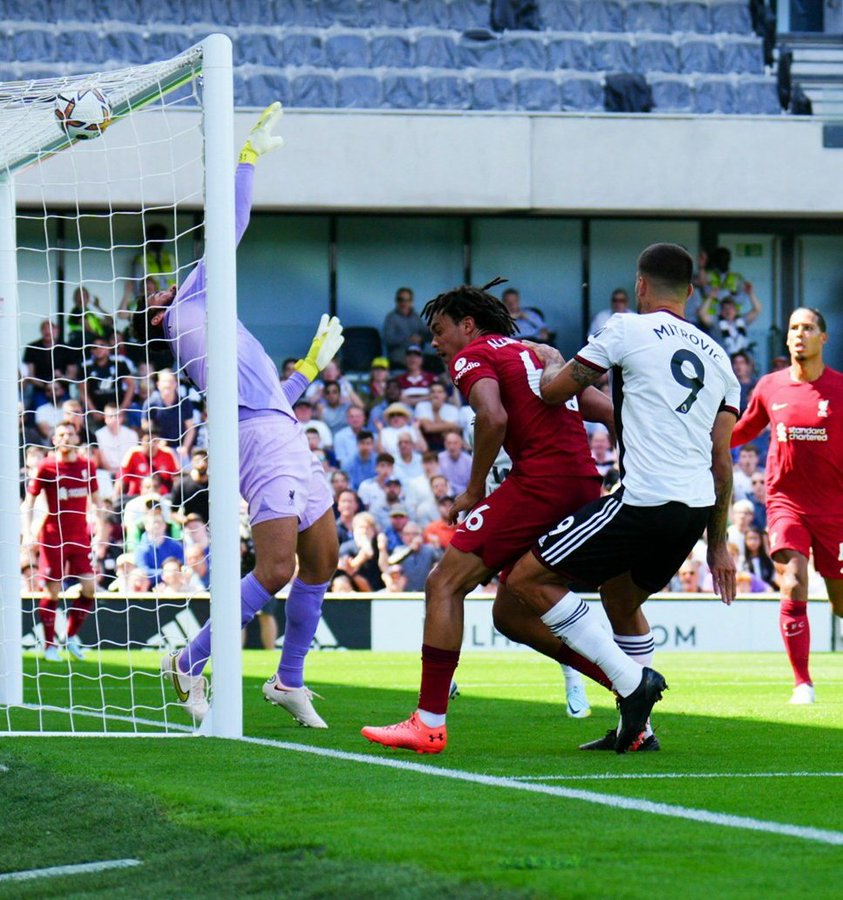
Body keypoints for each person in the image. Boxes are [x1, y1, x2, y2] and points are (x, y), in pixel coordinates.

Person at [362, 278, 620, 755]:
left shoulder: (473, 356)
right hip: (580, 482)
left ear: (468, 324)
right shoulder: (536, 353)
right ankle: (631, 688)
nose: (435, 343)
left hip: (540, 483)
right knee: (511, 613)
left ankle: (429, 723)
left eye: (440, 330)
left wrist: (474, 488)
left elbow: (494, 419)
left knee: (444, 583)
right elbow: (601, 409)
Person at [147, 103, 344, 726]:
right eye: (150, 296)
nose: (160, 284)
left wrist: (309, 368)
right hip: (259, 438)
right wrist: (247, 158)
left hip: (278, 426)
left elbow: (266, 393)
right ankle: (189, 660)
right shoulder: (189, 309)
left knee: (322, 560)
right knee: (278, 567)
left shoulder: (214, 314)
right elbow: (229, 225)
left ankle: (288, 680)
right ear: (158, 319)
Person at [501, 243, 740, 753]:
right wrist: (718, 545)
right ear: (692, 293)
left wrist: (550, 360)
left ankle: (632, 686)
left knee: (525, 579)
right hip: (694, 510)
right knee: (622, 597)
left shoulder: (625, 327)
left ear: (640, 285)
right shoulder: (719, 358)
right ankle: (639, 734)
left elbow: (553, 392)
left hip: (643, 500)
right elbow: (723, 462)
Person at [730, 307, 843, 705]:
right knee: (792, 580)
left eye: (808, 327)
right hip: (785, 503)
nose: (800, 334)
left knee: (840, 601)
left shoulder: (841, 389)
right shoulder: (769, 386)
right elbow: (744, 429)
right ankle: (802, 683)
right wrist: (707, 445)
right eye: (794, 327)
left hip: (836, 509)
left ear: (823, 338)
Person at [22, 422, 104, 661]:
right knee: (53, 591)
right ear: (55, 439)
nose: (66, 436)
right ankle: (49, 646)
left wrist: (99, 531)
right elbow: (29, 502)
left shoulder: (87, 465)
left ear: (77, 437)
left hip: (80, 536)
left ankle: (69, 636)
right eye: (61, 434)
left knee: (89, 588)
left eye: (70, 433)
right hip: (52, 537)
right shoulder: (46, 466)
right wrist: (27, 533)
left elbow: (97, 500)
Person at [383, 286, 429, 368]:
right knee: (416, 363)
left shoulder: (416, 317)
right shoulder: (391, 318)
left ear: (411, 302)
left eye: (407, 300)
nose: (404, 303)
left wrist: (422, 338)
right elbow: (388, 339)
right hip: (399, 355)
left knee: (438, 361)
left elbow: (426, 334)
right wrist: (408, 338)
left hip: (417, 353)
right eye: (400, 300)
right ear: (396, 301)